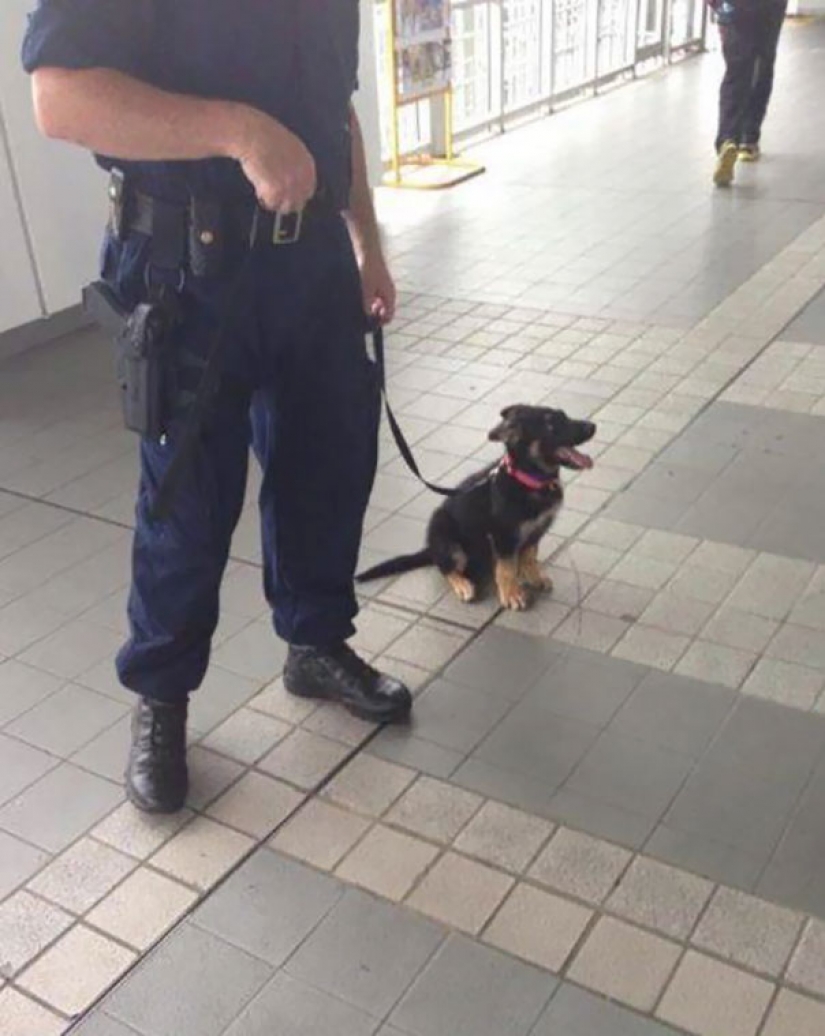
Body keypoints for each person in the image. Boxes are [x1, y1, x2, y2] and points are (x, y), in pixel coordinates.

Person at [21, 0, 413, 815]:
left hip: (309, 263)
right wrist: (236, 130)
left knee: (328, 465)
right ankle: (161, 700)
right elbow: (60, 97)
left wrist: (366, 245)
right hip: (184, 267)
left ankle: (314, 641)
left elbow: (332, 113)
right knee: (189, 502)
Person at [712, 0, 788, 187]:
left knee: (736, 71)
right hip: (770, 7)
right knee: (763, 64)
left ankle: (728, 139)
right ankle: (748, 139)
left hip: (734, 6)